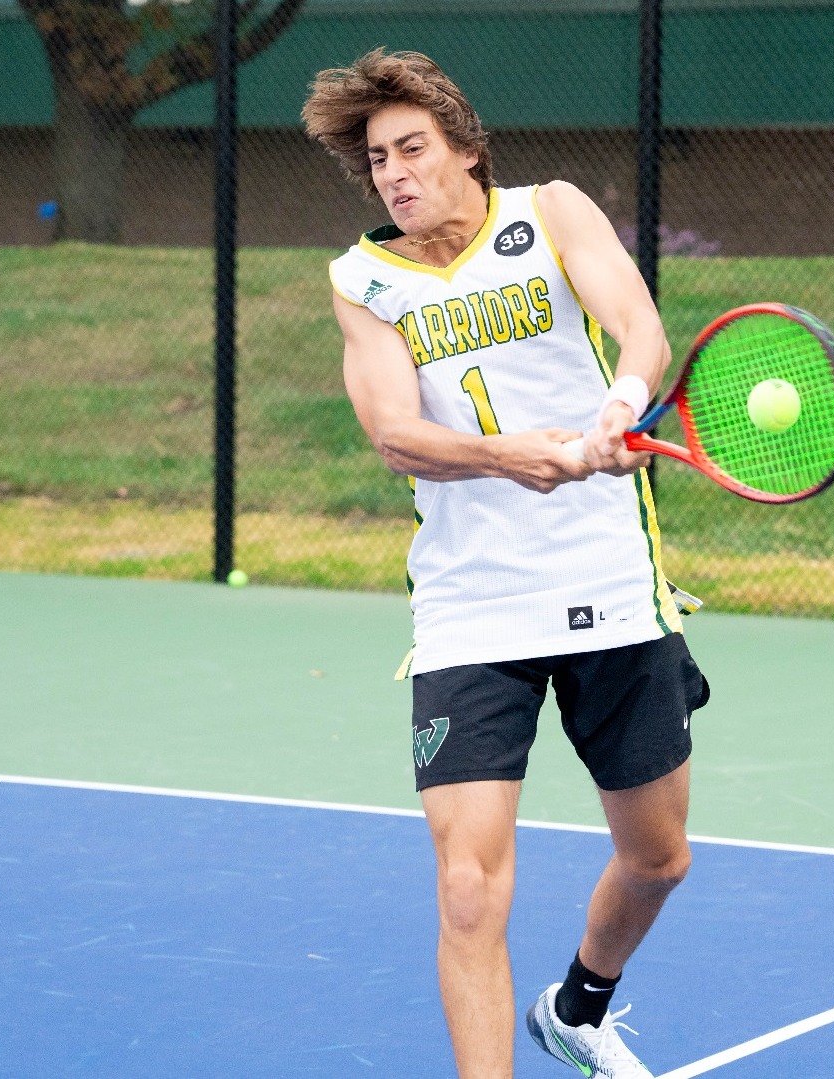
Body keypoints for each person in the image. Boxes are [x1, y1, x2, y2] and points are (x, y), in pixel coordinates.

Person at [301, 49, 710, 1079]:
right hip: (471, 607)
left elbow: (639, 327)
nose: (392, 172)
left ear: (466, 150)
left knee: (658, 857)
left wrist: (617, 407)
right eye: (376, 159)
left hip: (610, 587)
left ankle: (578, 1005)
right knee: (468, 888)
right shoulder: (364, 281)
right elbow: (394, 432)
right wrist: (507, 453)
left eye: (412, 149)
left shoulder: (552, 212)